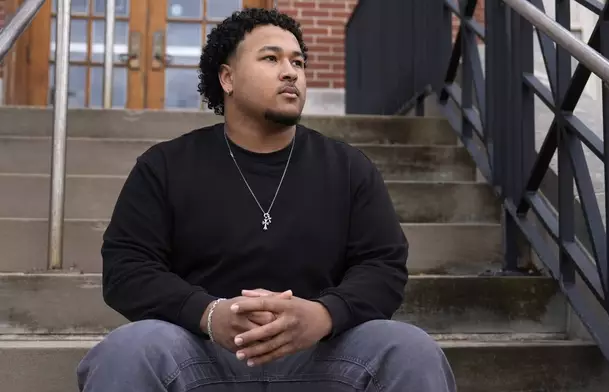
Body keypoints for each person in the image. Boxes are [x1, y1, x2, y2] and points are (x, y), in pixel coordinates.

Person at [76, 7, 456, 392]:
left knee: (411, 349)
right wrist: (208, 315)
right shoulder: (166, 166)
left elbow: (384, 266)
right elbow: (128, 268)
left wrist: (324, 314)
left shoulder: (348, 168)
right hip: (200, 355)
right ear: (227, 78)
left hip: (323, 357)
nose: (291, 72)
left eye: (298, 62)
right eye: (271, 58)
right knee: (127, 350)